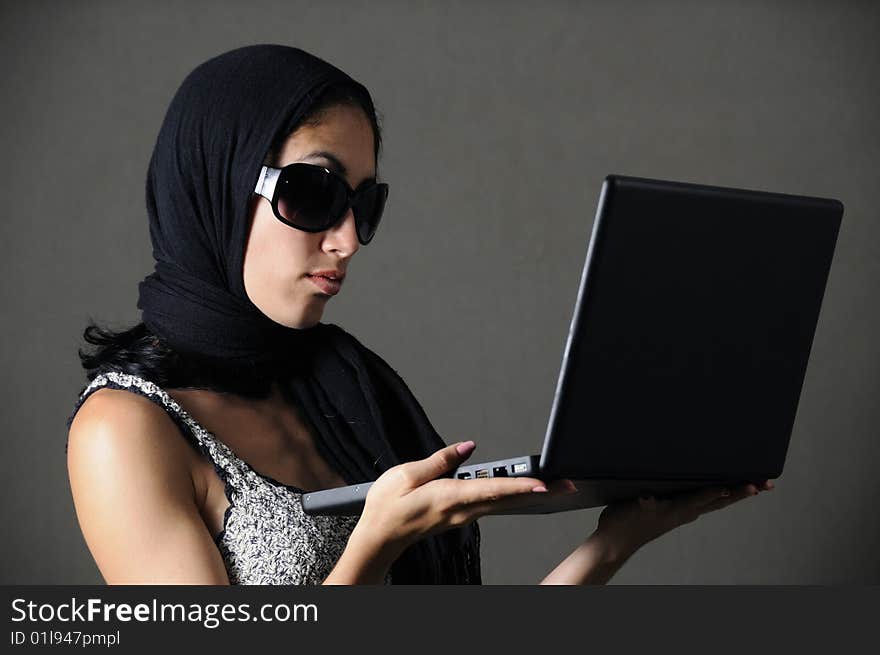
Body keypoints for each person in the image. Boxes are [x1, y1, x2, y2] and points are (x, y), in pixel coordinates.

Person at [65, 44, 773, 586]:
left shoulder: (337, 389)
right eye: (314, 193)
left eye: (364, 205)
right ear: (212, 184)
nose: (345, 239)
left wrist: (617, 538)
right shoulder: (124, 431)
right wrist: (377, 545)